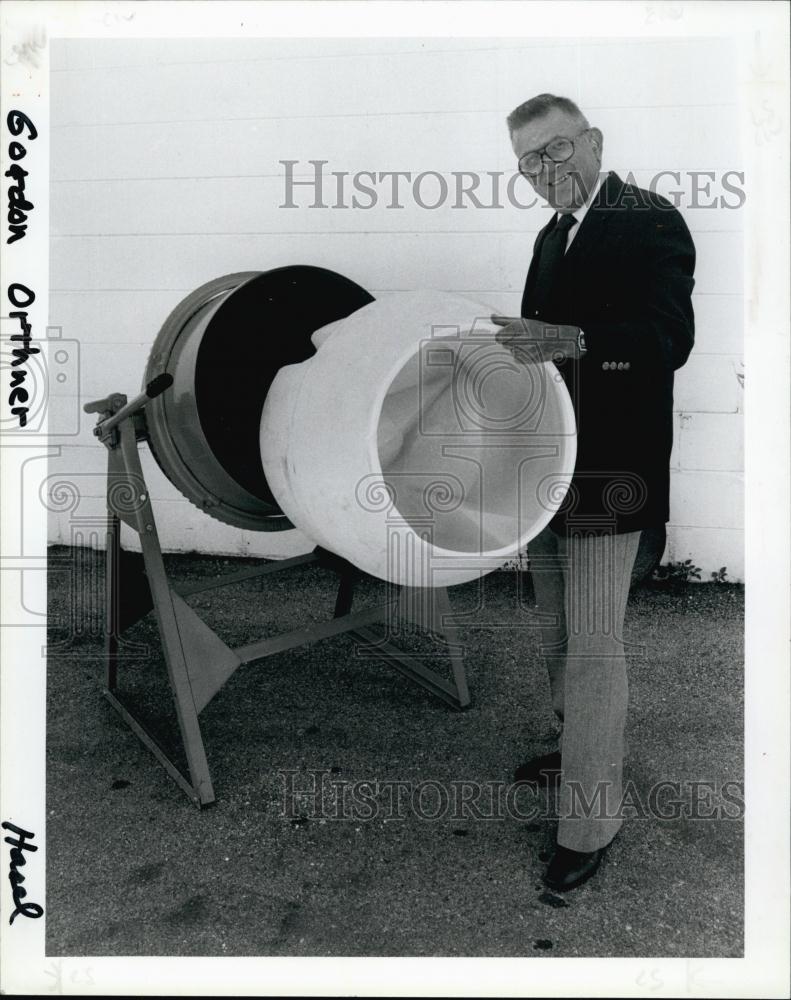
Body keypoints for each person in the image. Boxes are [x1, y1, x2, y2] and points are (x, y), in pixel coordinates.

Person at [492, 94, 695, 891]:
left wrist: (569, 340)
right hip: (548, 467)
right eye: (528, 162)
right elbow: (543, 351)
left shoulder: (646, 218)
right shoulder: (551, 235)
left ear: (594, 141)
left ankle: (588, 820)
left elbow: (666, 341)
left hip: (612, 473)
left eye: (556, 150)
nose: (545, 172)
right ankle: (577, 748)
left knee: (594, 647)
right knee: (555, 632)